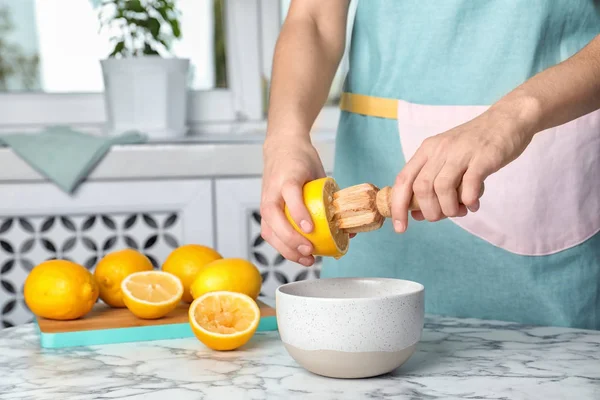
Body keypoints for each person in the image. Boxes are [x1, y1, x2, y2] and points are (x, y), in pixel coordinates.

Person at [260, 0, 600, 330]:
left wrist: (515, 116)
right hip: (377, 169)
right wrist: (284, 137)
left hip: (547, 163)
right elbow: (314, 16)